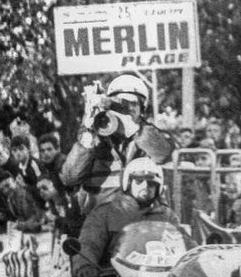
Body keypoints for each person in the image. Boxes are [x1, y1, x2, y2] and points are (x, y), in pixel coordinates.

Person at [60, 74, 175, 212]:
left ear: (142, 108)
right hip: (100, 218)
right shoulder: (93, 137)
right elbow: (69, 178)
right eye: (120, 104)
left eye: (133, 103)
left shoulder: (149, 134)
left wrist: (133, 129)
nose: (126, 109)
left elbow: (164, 154)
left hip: (139, 218)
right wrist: (88, 133)